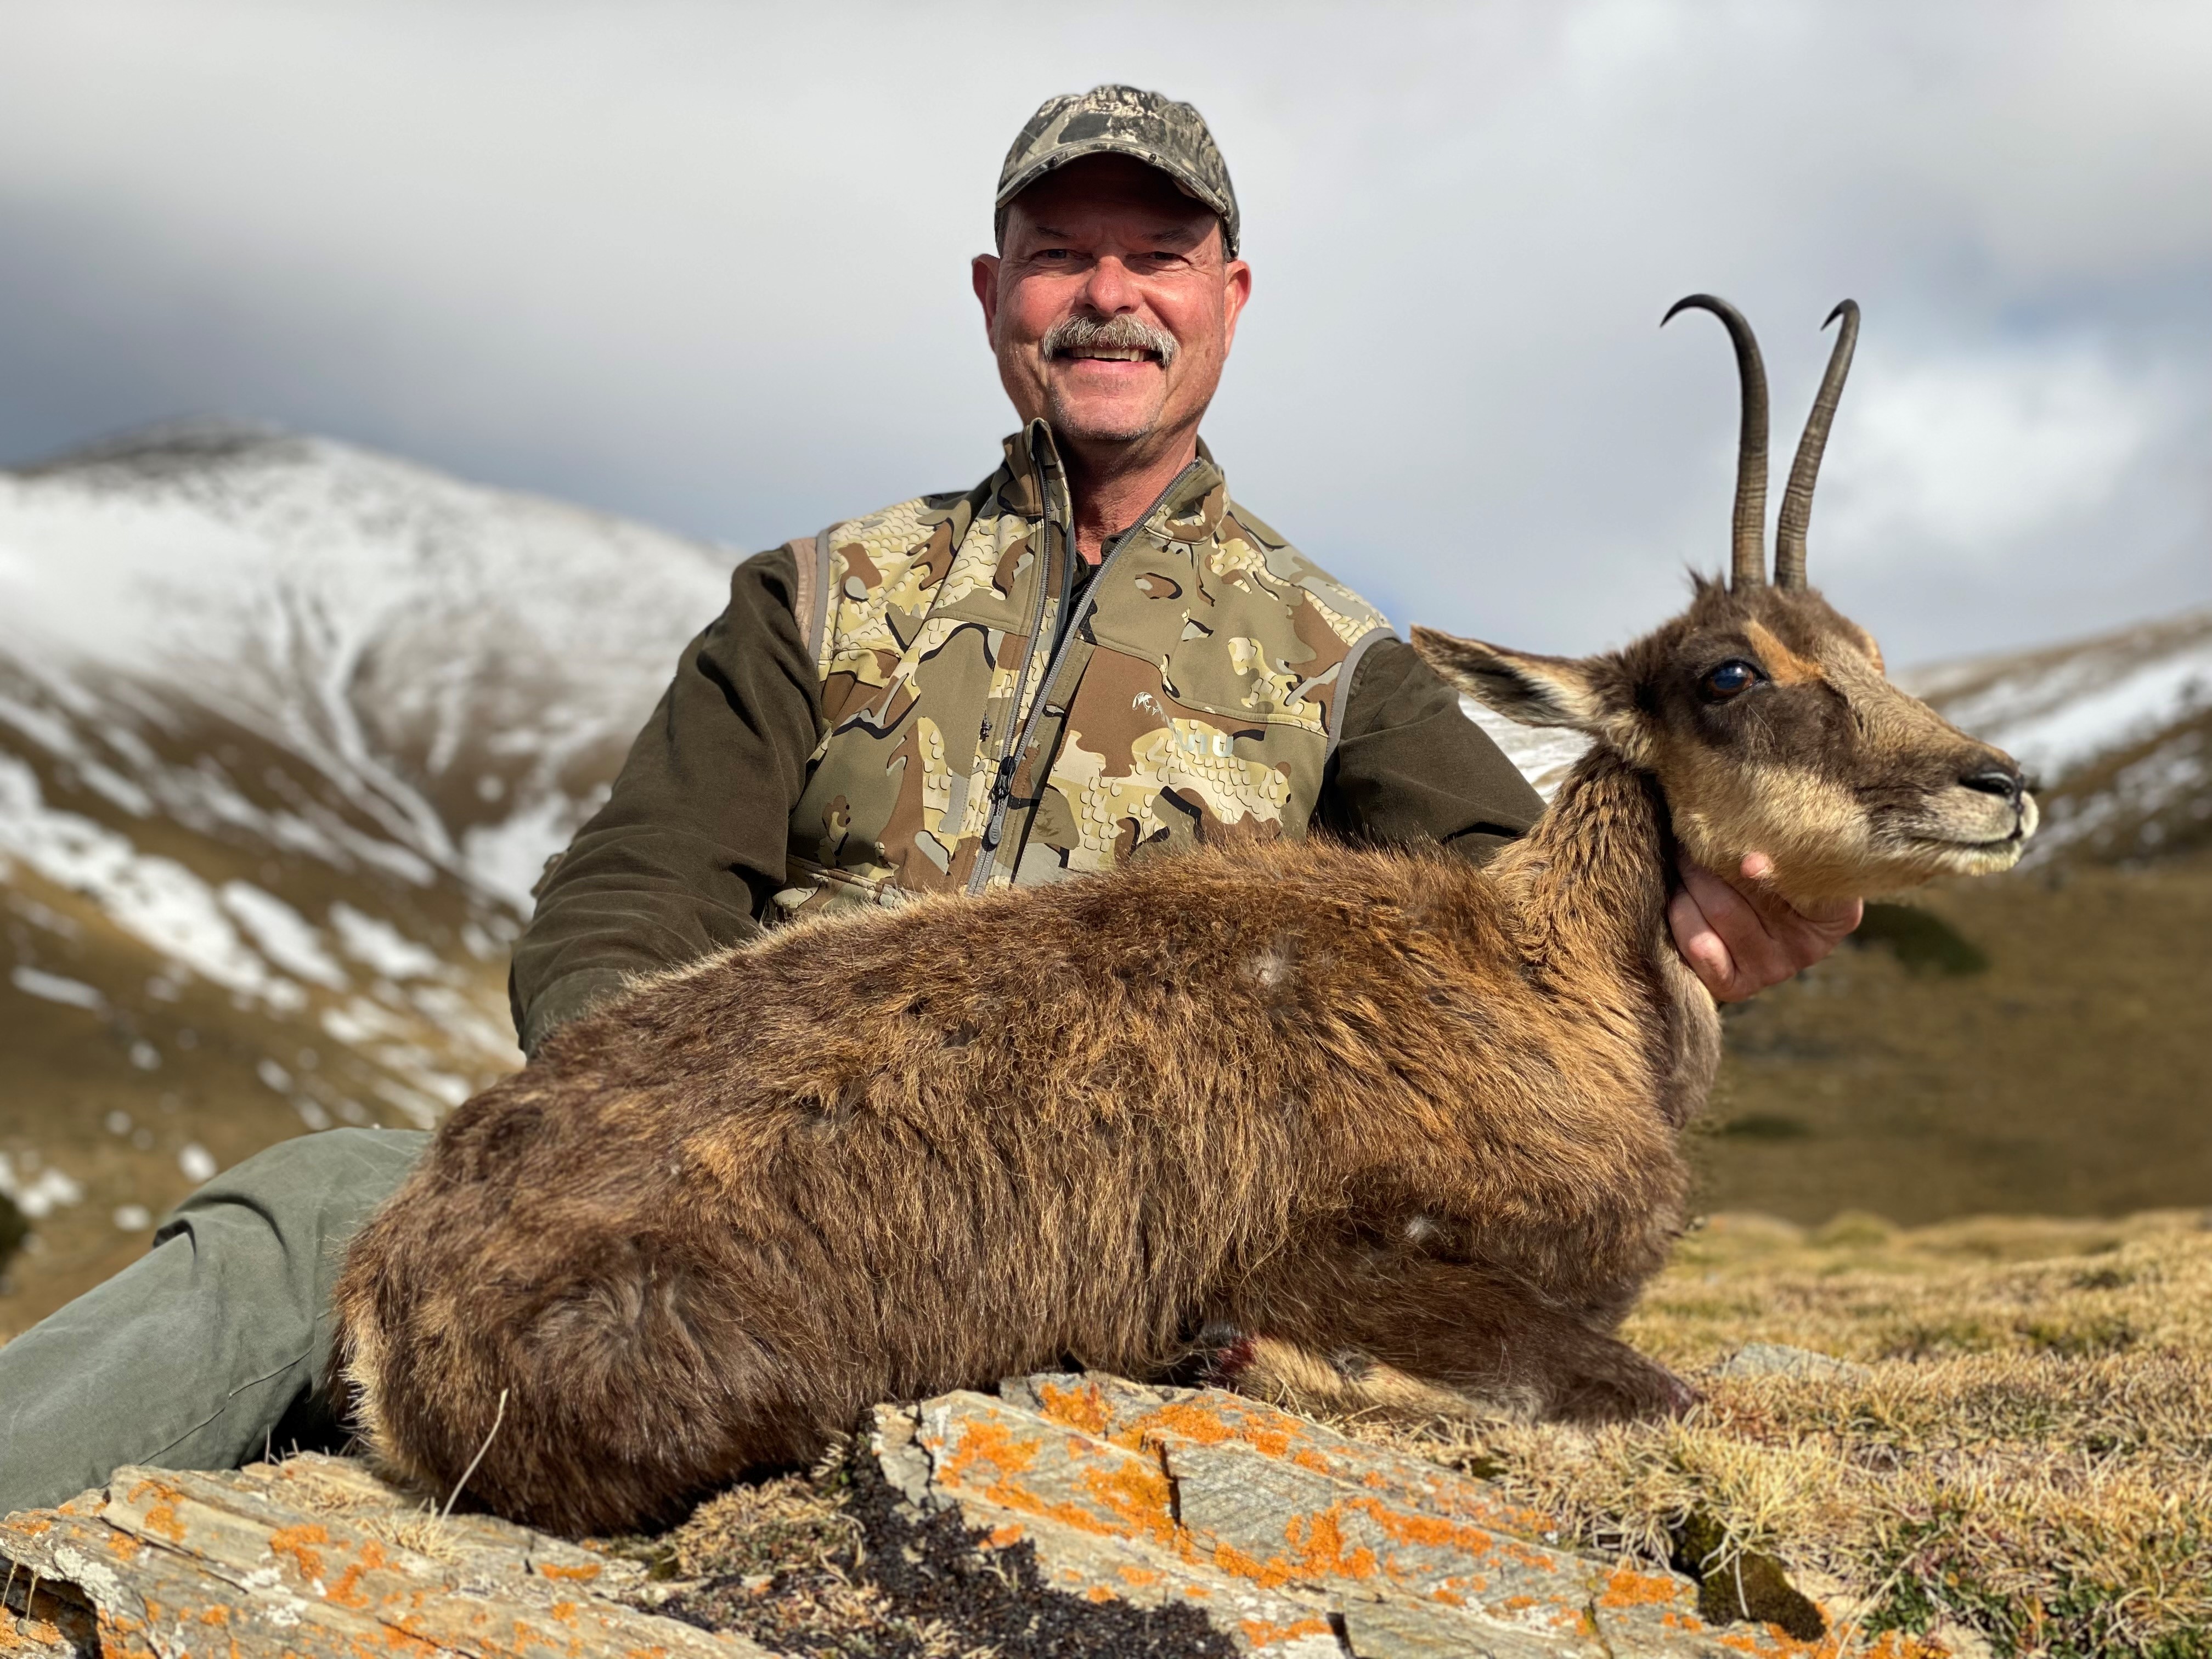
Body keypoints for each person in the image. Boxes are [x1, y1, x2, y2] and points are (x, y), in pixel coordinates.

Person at [0, 86, 1859, 1513]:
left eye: (1157, 255)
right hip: (712, 1195)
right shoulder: (819, 597)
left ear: (1228, 298)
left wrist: (1686, 928)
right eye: (1064, 253)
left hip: (1109, 1255)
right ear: (998, 295)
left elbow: (1504, 934)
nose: (1109, 294)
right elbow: (620, 910)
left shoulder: (1342, 659)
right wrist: (675, 1125)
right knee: (310, 1214)